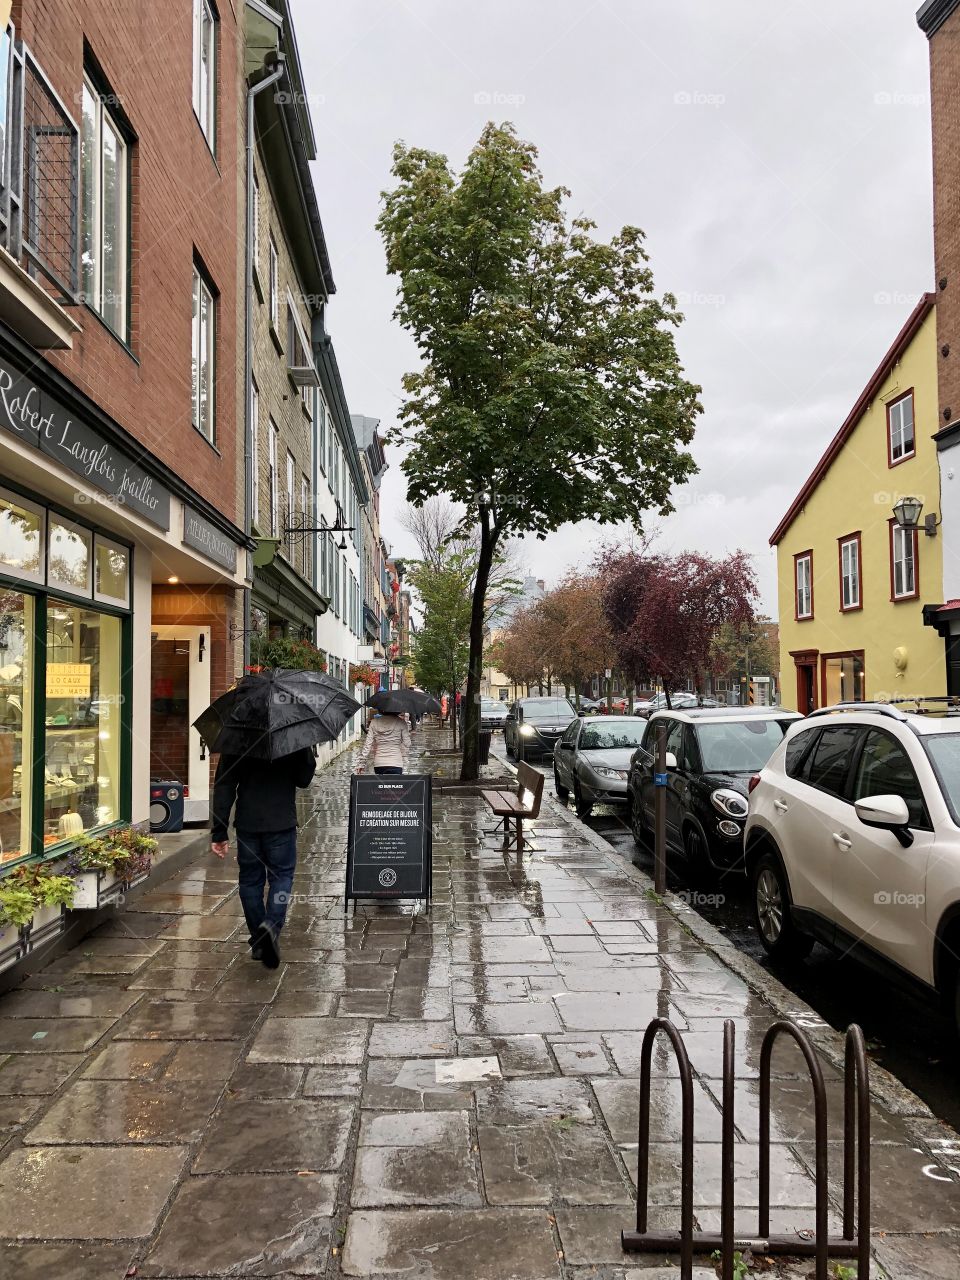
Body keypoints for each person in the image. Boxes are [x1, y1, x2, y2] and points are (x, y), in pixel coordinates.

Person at [210, 746, 316, 968]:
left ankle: (259, 942)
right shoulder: (292, 737)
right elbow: (303, 779)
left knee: (250, 880)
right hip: (281, 822)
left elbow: (225, 785)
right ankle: (270, 926)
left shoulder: (239, 737)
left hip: (248, 823)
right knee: (282, 877)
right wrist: (307, 753)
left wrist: (219, 831)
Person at [357, 711, 411, 775]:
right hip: (396, 763)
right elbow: (407, 743)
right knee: (395, 784)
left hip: (379, 764)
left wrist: (361, 764)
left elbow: (367, 745)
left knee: (381, 785)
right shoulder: (401, 722)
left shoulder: (374, 722)